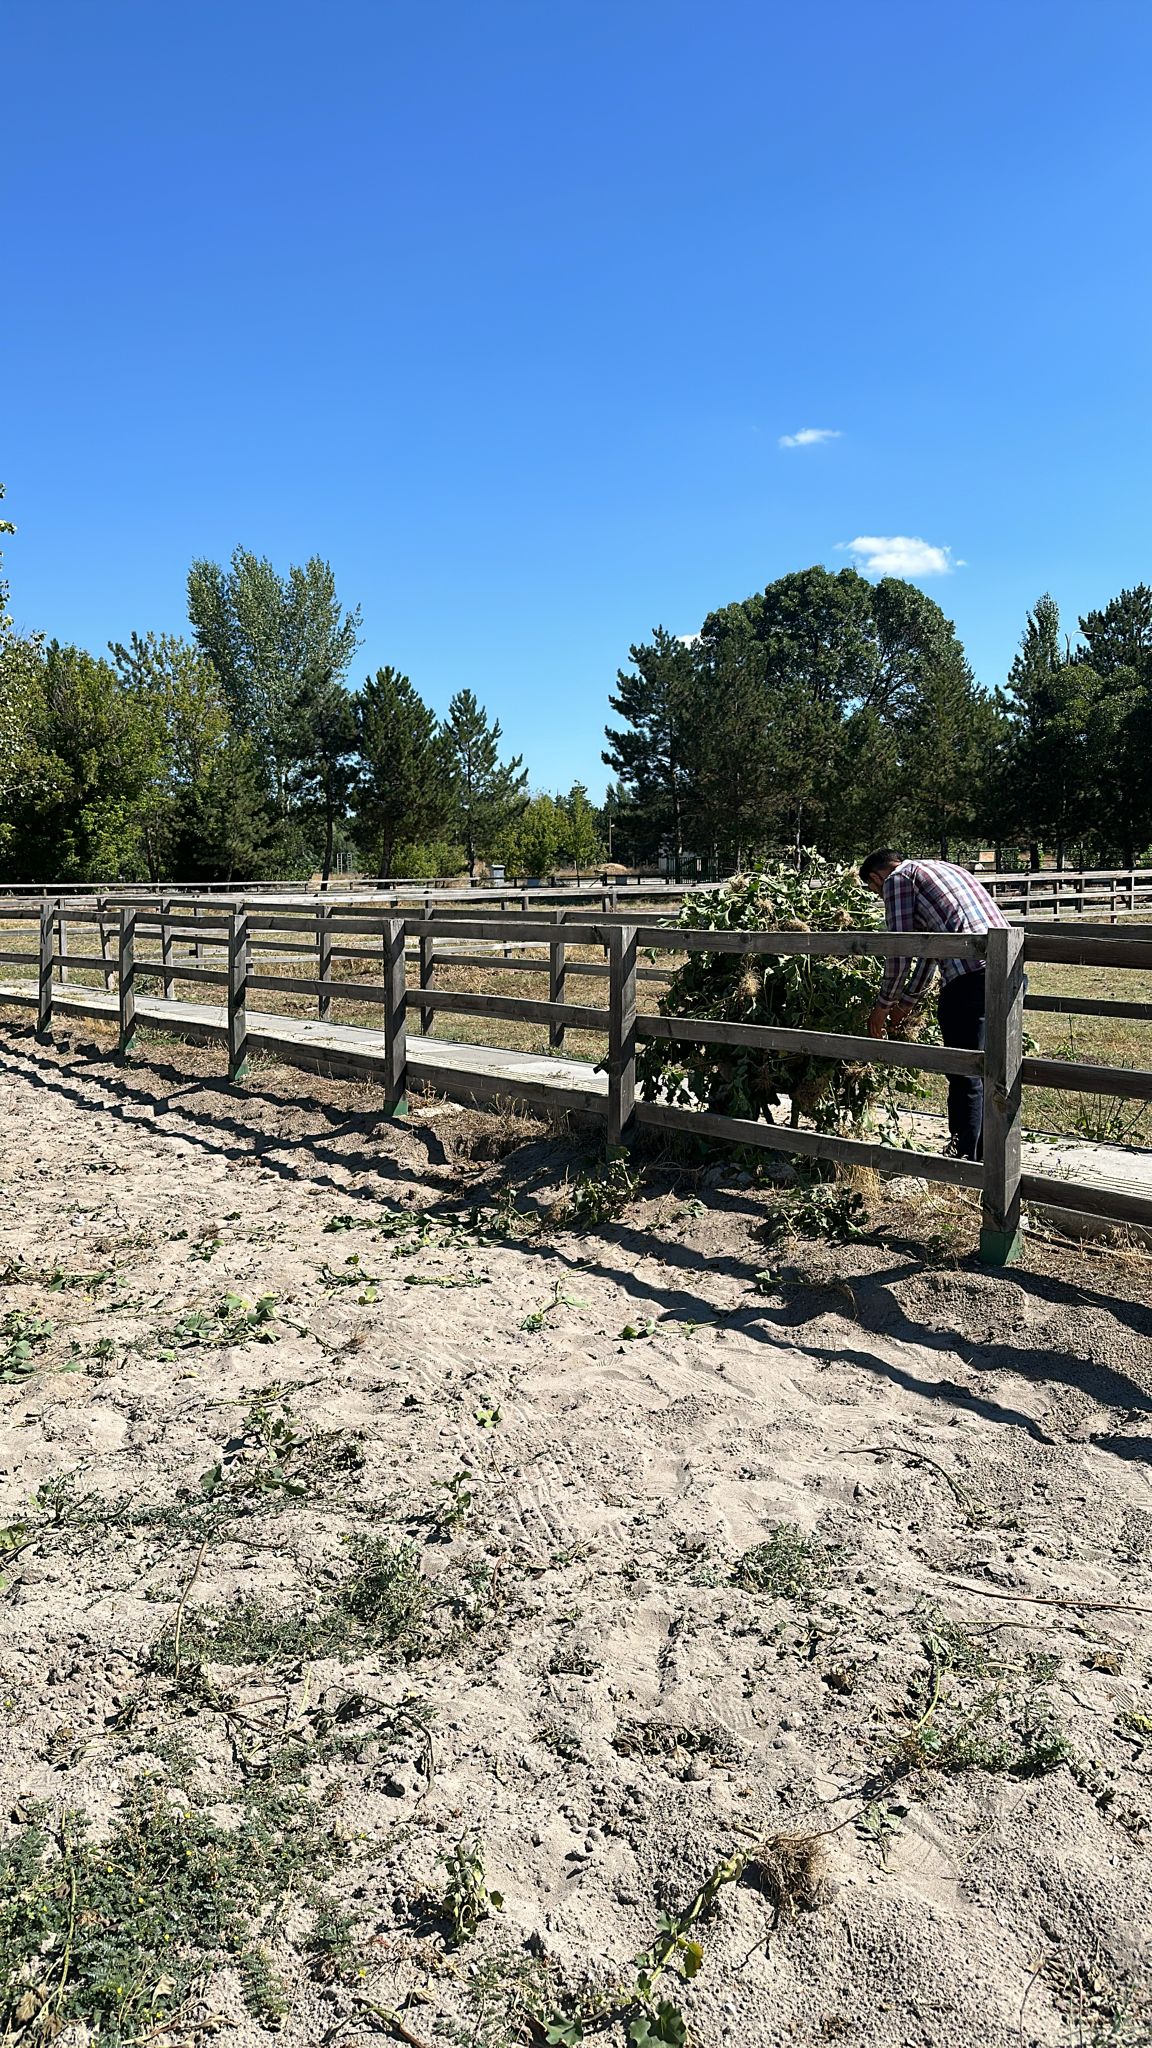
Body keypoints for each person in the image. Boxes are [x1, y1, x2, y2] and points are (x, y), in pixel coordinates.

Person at [858, 850, 1008, 1160]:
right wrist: (906, 1004)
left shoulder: (898, 880)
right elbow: (928, 950)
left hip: (970, 977)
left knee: (965, 1070)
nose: (881, 895)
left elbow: (900, 950)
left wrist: (883, 1006)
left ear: (876, 878)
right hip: (1007, 971)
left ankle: (966, 1156)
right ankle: (992, 1153)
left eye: (876, 892)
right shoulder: (943, 869)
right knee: (995, 1068)